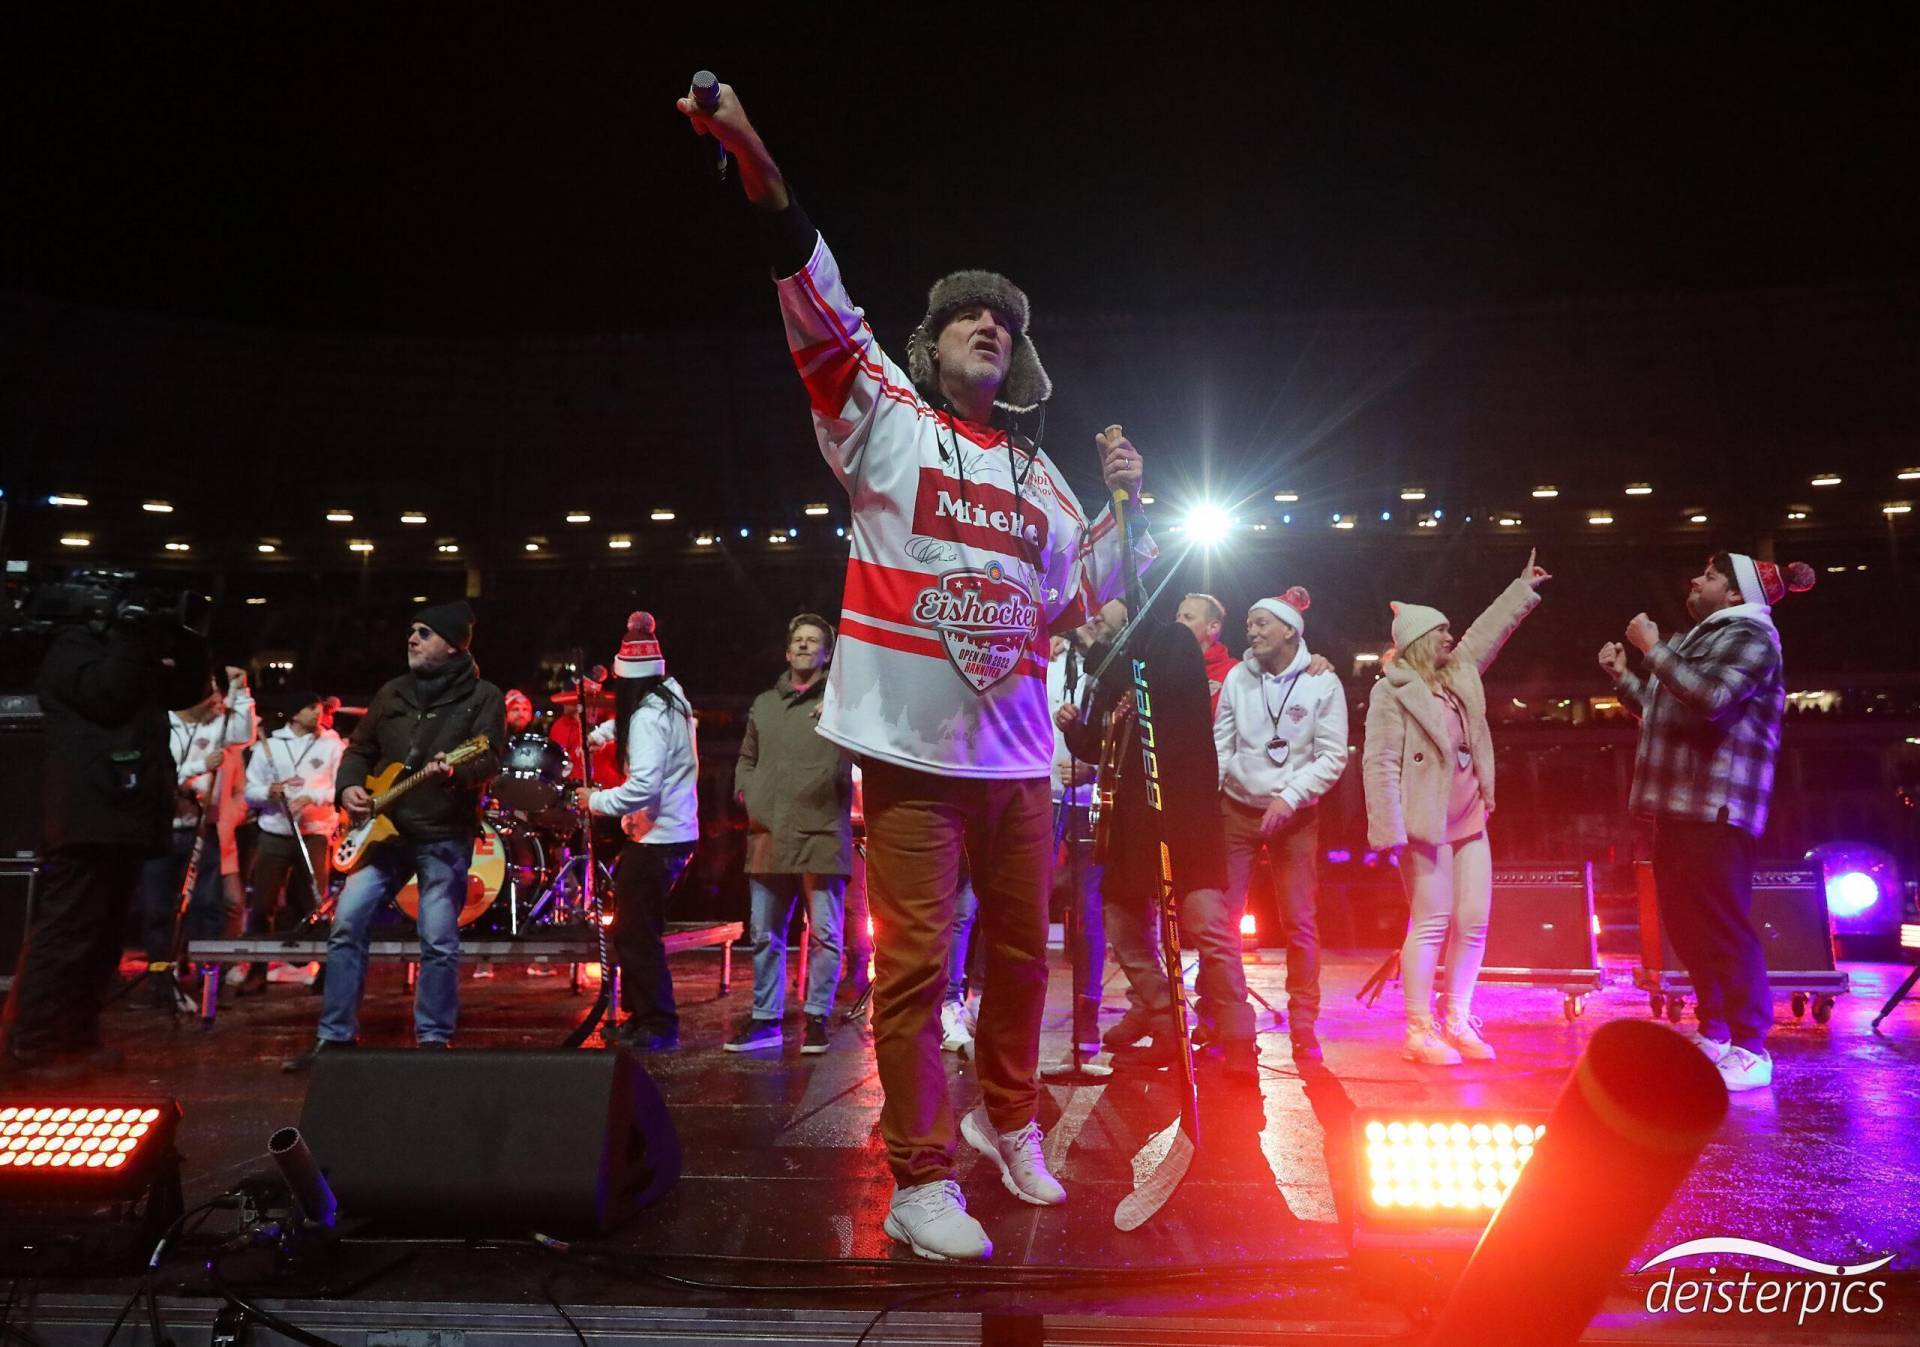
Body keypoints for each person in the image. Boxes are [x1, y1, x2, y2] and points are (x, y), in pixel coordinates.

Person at [679, 80, 1152, 1261]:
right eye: (966, 317)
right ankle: (919, 1178)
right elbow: (813, 290)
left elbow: (1081, 612)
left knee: (1023, 961)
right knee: (914, 972)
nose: (990, 326)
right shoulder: (882, 420)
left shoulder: (1046, 485)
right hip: (909, 760)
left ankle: (1007, 1121)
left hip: (1021, 763)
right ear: (926, 347)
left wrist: (1127, 518)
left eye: (1005, 321)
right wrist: (751, 149)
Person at [1600, 552, 1814, 1092]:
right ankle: (1715, 1031)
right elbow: (1665, 710)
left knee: (1720, 926)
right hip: (1679, 806)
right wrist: (1625, 676)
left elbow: (1711, 698)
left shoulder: (1752, 637)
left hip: (1718, 806)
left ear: (1737, 594)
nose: (1697, 580)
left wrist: (1654, 649)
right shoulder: (1706, 637)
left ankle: (1751, 1047)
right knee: (1687, 927)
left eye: (1713, 576)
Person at [283, 601, 505, 1071]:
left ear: (453, 645)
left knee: (438, 939)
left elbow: (489, 758)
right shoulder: (393, 691)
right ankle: (335, 1036)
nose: (412, 639)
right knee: (346, 924)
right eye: (412, 630)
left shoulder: (483, 696)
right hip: (383, 833)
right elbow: (360, 749)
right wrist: (349, 787)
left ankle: (433, 1040)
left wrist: (456, 773)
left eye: (424, 633)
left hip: (442, 833)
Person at [1, 602, 210, 1078]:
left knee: (103, 938)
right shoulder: (71, 648)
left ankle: (75, 1038)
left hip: (125, 816)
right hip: (87, 816)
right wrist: (131, 635)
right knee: (69, 933)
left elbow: (186, 692)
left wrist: (191, 639)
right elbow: (107, 696)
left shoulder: (128, 653)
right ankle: (33, 1045)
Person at [1364, 551, 1551, 1066]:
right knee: (1430, 922)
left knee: (1473, 921)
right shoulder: (1392, 692)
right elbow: (1379, 764)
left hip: (1469, 818)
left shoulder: (1460, 673)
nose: (1451, 637)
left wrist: (1522, 588)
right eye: (1442, 631)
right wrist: (1389, 832)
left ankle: (1457, 1019)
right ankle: (1418, 1031)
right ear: (1421, 640)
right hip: (1424, 824)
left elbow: (1488, 632)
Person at [1213, 588, 1349, 1062]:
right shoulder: (1238, 677)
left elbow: (1332, 757)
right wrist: (1209, 799)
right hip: (1237, 808)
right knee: (1222, 923)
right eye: (1249, 623)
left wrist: (1289, 797)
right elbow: (1221, 744)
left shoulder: (1322, 682)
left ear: (1290, 629)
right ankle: (1227, 1020)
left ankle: (1304, 1025)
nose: (1250, 631)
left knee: (1300, 922)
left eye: (1261, 623)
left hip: (1296, 817)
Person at [728, 614, 853, 1055]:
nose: (803, 645)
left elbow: (866, 751)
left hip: (821, 831)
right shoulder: (764, 704)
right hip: (769, 831)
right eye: (797, 639)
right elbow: (747, 757)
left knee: (824, 933)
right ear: (786, 651)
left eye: (812, 641)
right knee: (765, 933)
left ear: (826, 654)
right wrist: (747, 793)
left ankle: (816, 1018)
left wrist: (839, 715)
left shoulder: (842, 703)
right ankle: (766, 1019)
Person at [584, 613, 699, 1051]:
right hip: (669, 833)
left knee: (635, 934)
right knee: (636, 930)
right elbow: (634, 720)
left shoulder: (649, 717)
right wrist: (602, 733)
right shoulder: (670, 698)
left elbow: (643, 787)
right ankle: (642, 1017)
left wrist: (594, 800)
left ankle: (657, 1023)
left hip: (658, 838)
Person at [137, 664, 255, 1004]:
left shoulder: (218, 726)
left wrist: (241, 689)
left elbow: (243, 733)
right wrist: (198, 768)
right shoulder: (161, 725)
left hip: (204, 830)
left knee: (208, 906)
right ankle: (163, 982)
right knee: (157, 909)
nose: (217, 694)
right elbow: (156, 774)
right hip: (162, 831)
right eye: (211, 687)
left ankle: (208, 983)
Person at [232, 690, 342, 994]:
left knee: (315, 903)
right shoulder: (270, 746)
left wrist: (311, 796)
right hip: (275, 832)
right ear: (294, 713)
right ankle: (257, 971)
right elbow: (250, 792)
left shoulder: (332, 744)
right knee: (262, 905)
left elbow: (340, 788)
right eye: (310, 707)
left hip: (314, 833)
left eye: (318, 707)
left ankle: (325, 970)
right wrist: (268, 792)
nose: (317, 712)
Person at [1176, 592, 1239, 714]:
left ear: (1213, 627)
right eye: (1178, 616)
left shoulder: (1235, 672)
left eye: (1188, 617)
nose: (1178, 623)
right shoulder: (1168, 668)